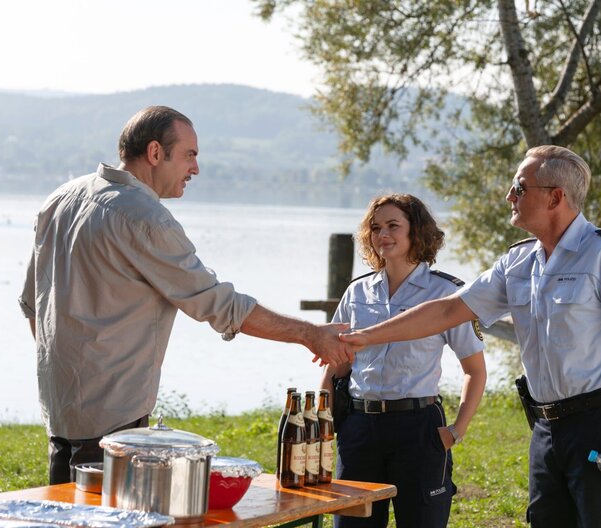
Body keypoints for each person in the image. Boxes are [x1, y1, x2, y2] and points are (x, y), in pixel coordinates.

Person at [18, 106, 353, 485]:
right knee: (112, 515)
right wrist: (310, 334)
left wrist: (67, 373)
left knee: (65, 512)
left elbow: (32, 305)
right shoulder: (144, 217)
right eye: (189, 155)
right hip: (113, 421)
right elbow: (218, 304)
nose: (195, 168)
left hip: (59, 412)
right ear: (155, 152)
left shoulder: (60, 198)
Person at [341, 146, 601, 527]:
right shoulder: (519, 262)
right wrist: (364, 337)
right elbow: (448, 311)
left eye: (519, 187)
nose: (509, 196)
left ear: (555, 197)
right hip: (545, 427)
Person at [322, 194, 486, 527]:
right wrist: (323, 422)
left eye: (393, 226)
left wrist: (455, 431)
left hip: (419, 429)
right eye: (375, 227)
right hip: (359, 429)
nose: (383, 234)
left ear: (417, 231)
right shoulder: (357, 292)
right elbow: (336, 365)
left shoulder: (446, 294)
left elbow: (475, 370)